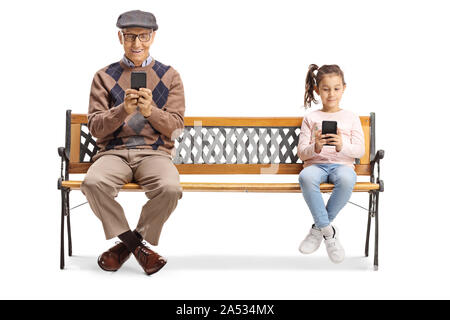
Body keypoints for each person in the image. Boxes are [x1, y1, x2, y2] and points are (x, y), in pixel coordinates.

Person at [80, 10, 185, 275]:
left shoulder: (170, 76)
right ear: (120, 37)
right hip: (113, 154)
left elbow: (176, 128)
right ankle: (138, 246)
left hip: (155, 154)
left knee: (171, 188)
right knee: (92, 183)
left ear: (153, 36)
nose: (136, 43)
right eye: (129, 36)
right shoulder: (103, 76)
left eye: (143, 36)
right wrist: (122, 111)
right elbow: (95, 127)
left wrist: (151, 112)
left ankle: (126, 246)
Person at [297, 64, 364, 263]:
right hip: (315, 166)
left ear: (344, 88)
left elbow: (360, 150)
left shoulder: (351, 117)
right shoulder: (310, 118)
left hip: (342, 165)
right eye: (325, 89)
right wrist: (315, 147)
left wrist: (342, 145)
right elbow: (302, 152)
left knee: (346, 179)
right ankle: (329, 233)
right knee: (306, 177)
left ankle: (319, 229)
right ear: (317, 90)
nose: (331, 94)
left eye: (336, 88)